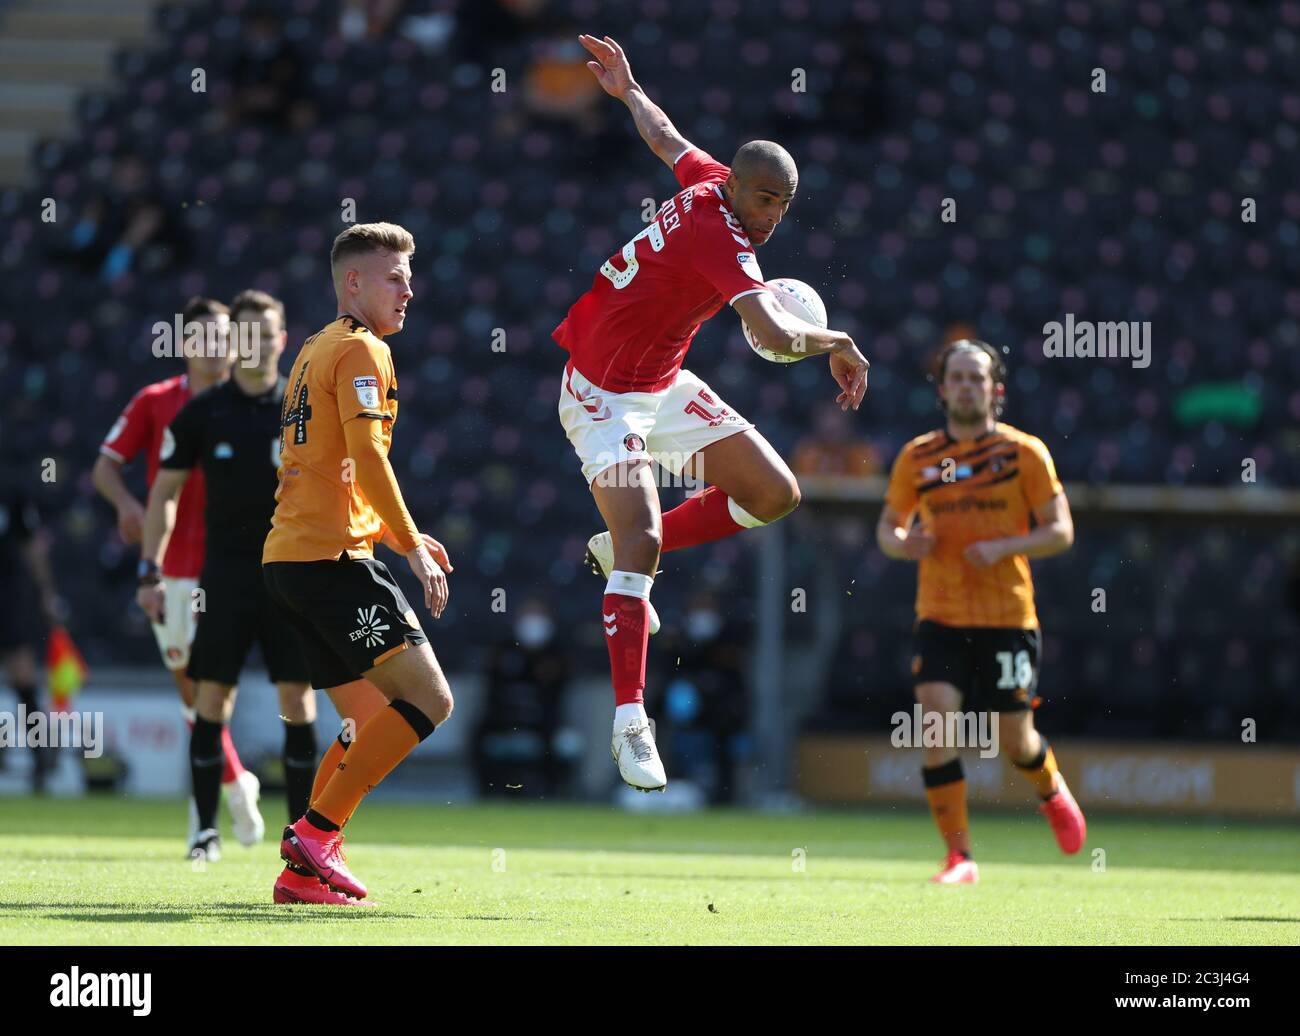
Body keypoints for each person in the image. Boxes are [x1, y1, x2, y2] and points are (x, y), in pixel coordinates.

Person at [556, 34, 870, 792]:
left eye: (784, 206)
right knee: (646, 541)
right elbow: (768, 332)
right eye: (764, 200)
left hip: (659, 384)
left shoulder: (711, 182)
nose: (771, 217)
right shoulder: (718, 233)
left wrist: (629, 89)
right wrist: (837, 339)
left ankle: (612, 551)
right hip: (600, 398)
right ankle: (631, 722)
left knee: (774, 495)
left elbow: (666, 137)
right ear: (739, 191)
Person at [263, 222, 454, 906]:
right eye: (394, 277)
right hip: (333, 559)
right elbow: (367, 457)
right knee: (430, 700)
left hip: (290, 560)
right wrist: (406, 544)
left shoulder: (318, 346)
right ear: (354, 282)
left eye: (409, 275)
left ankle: (302, 872)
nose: (409, 289)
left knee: (368, 718)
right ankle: (317, 834)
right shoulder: (362, 350)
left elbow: (334, 464)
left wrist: (403, 534)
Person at [876, 339, 1086, 884]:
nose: (968, 387)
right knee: (936, 724)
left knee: (1015, 739)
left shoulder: (1025, 454)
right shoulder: (917, 457)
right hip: (940, 614)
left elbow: (1061, 531)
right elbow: (888, 528)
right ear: (943, 389)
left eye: (978, 378)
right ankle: (960, 857)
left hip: (1008, 618)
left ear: (996, 390)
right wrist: (904, 543)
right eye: (958, 378)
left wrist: (1004, 546)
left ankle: (1051, 788)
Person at [137, 290, 316, 863]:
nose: (258, 344)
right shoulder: (203, 411)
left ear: (284, 338)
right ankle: (204, 834)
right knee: (211, 699)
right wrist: (149, 567)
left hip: (289, 575)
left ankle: (306, 842)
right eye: (246, 334)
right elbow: (164, 492)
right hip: (224, 579)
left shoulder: (304, 405)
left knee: (298, 701)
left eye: (267, 333)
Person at [92, 297, 262, 847]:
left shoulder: (256, 401)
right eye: (206, 336)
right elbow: (105, 467)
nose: (218, 345)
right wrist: (124, 505)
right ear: (185, 344)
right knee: (192, 695)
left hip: (231, 566)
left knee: (214, 692)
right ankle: (234, 789)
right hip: (168, 569)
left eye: (226, 335)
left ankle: (209, 814)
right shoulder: (156, 400)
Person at [0, 443, 64, 792]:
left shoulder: (12, 486)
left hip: (9, 591)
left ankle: (42, 754)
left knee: (22, 673)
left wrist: (47, 593)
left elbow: (31, 545)